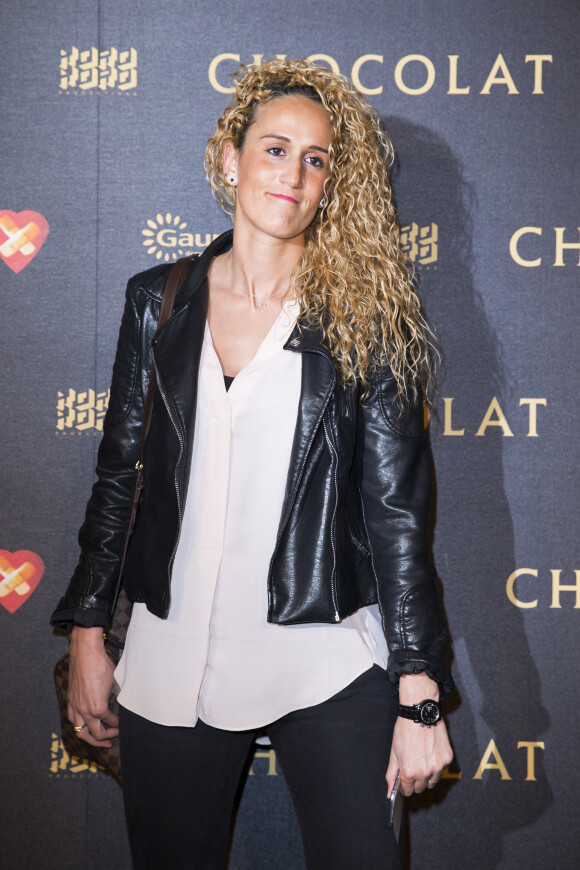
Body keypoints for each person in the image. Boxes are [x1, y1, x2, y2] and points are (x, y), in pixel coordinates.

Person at [51, 58, 454, 870]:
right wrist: (90, 634)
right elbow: (120, 477)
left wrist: (418, 688)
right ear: (229, 160)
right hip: (171, 653)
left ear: (331, 185)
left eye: (317, 159)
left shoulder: (365, 318)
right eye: (275, 149)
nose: (294, 174)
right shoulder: (157, 301)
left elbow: (396, 514)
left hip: (325, 654)